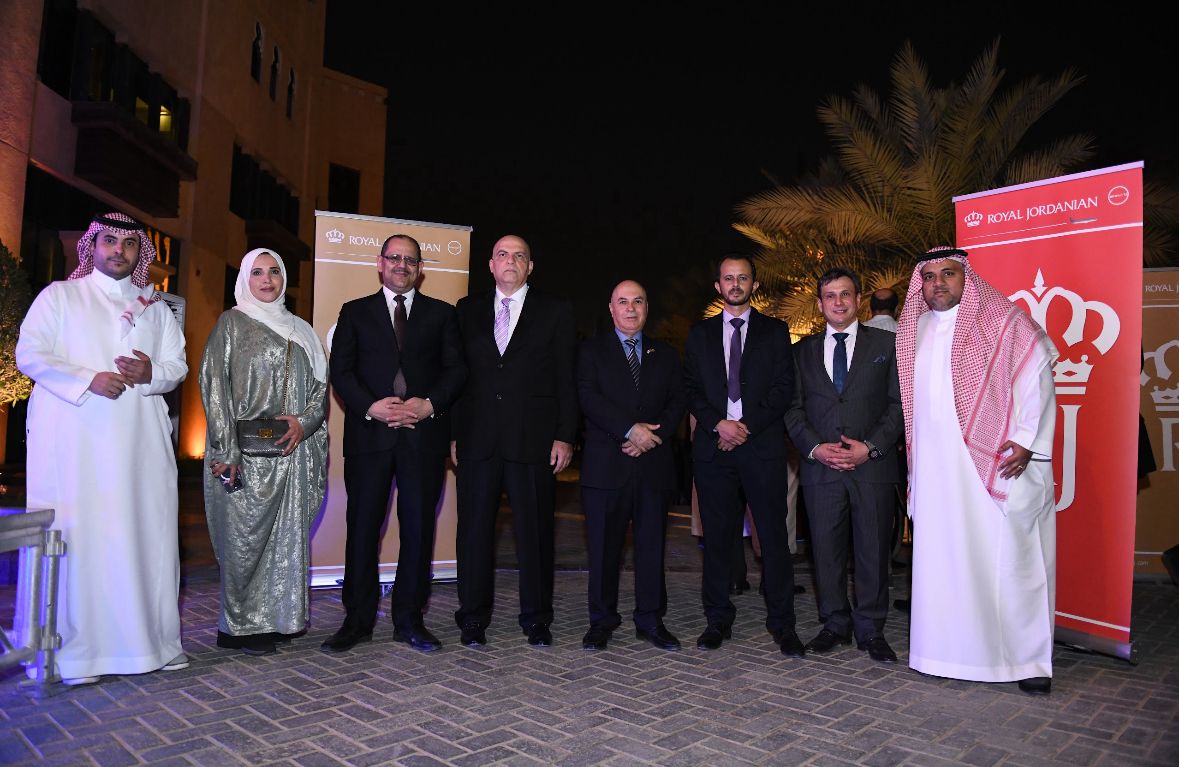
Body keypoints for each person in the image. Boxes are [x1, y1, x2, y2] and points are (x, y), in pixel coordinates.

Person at [16, 211, 189, 685]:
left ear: (139, 253)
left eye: (129, 244)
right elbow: (29, 354)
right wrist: (87, 379)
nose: (119, 250)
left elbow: (177, 366)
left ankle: (152, 645)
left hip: (140, 448)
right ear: (93, 246)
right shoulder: (60, 296)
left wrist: (151, 373)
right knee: (81, 539)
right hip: (75, 447)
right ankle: (78, 655)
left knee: (143, 535)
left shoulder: (155, 309)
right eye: (110, 241)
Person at [896, 245, 1058, 695]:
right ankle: (945, 653)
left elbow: (1037, 379)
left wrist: (1026, 439)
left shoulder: (1004, 321)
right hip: (935, 469)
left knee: (1012, 561)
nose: (938, 284)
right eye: (929, 277)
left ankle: (1028, 661)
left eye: (948, 274)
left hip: (992, 462)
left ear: (966, 277)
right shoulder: (914, 329)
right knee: (944, 563)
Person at [323, 234, 466, 653]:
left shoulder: (442, 314)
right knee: (362, 528)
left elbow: (457, 370)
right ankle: (357, 621)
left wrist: (429, 405)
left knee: (419, 530)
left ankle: (409, 619)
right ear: (380, 263)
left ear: (420, 269)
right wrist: (372, 407)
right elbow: (342, 371)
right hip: (370, 437)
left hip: (423, 437)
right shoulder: (354, 312)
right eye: (395, 258)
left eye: (410, 260)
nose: (402, 265)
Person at [200, 248, 329, 657]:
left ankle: (280, 619)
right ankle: (240, 626)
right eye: (257, 272)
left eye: (274, 271)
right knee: (244, 542)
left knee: (286, 541)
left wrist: (304, 423)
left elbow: (320, 391)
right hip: (245, 454)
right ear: (245, 279)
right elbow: (214, 387)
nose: (267, 280)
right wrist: (226, 449)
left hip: (292, 452)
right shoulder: (231, 323)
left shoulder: (301, 330)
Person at [451, 234, 577, 648]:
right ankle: (472, 618)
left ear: (530, 266)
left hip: (534, 442)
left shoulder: (556, 311)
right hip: (477, 440)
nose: (511, 260)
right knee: (473, 535)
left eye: (519, 255)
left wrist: (565, 436)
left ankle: (537, 619)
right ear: (491, 264)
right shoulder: (466, 310)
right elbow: (456, 377)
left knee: (535, 534)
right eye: (503, 254)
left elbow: (566, 378)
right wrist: (454, 434)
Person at [683, 254, 804, 657]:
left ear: (754, 284)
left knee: (773, 538)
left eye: (743, 278)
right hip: (714, 450)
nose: (735, 284)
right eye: (728, 278)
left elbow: (783, 388)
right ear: (718, 286)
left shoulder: (775, 331)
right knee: (717, 540)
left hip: (761, 448)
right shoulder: (699, 334)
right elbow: (690, 389)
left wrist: (744, 427)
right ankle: (717, 619)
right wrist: (719, 424)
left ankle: (782, 623)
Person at [784, 267, 902, 663]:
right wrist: (815, 448)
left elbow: (899, 405)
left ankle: (871, 629)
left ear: (858, 300)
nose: (838, 302)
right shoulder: (800, 352)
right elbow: (792, 409)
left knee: (873, 551)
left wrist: (870, 447)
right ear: (820, 304)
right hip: (821, 470)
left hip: (872, 469)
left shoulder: (887, 345)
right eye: (830, 296)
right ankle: (834, 623)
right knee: (826, 551)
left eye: (845, 294)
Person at [576, 280, 687, 651]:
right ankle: (601, 622)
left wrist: (652, 436)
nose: (630, 308)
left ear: (646, 307)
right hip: (606, 467)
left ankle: (651, 621)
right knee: (603, 550)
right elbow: (588, 398)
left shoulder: (666, 354)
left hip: (652, 466)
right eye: (622, 302)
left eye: (637, 301)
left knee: (651, 548)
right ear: (611, 308)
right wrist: (629, 430)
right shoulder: (590, 351)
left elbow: (677, 401)